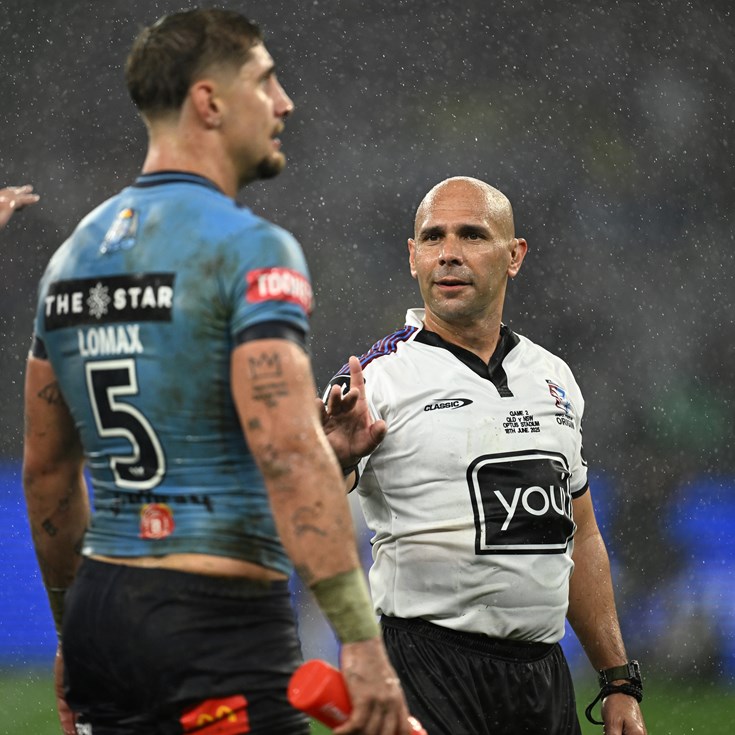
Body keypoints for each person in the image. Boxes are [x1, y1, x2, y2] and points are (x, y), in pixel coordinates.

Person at [22, 9, 413, 735]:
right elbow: (287, 452)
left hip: (102, 615)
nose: (283, 103)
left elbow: (47, 472)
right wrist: (360, 641)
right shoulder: (248, 248)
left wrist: (73, 628)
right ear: (209, 102)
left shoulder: (70, 260)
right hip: (215, 623)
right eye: (264, 81)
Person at [321, 176, 648, 735]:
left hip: (542, 677)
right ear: (413, 256)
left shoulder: (553, 377)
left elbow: (582, 534)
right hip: (426, 668)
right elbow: (295, 503)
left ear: (514, 255)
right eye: (433, 238)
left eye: (471, 235)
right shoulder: (375, 380)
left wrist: (618, 681)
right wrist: (334, 461)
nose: (448, 253)